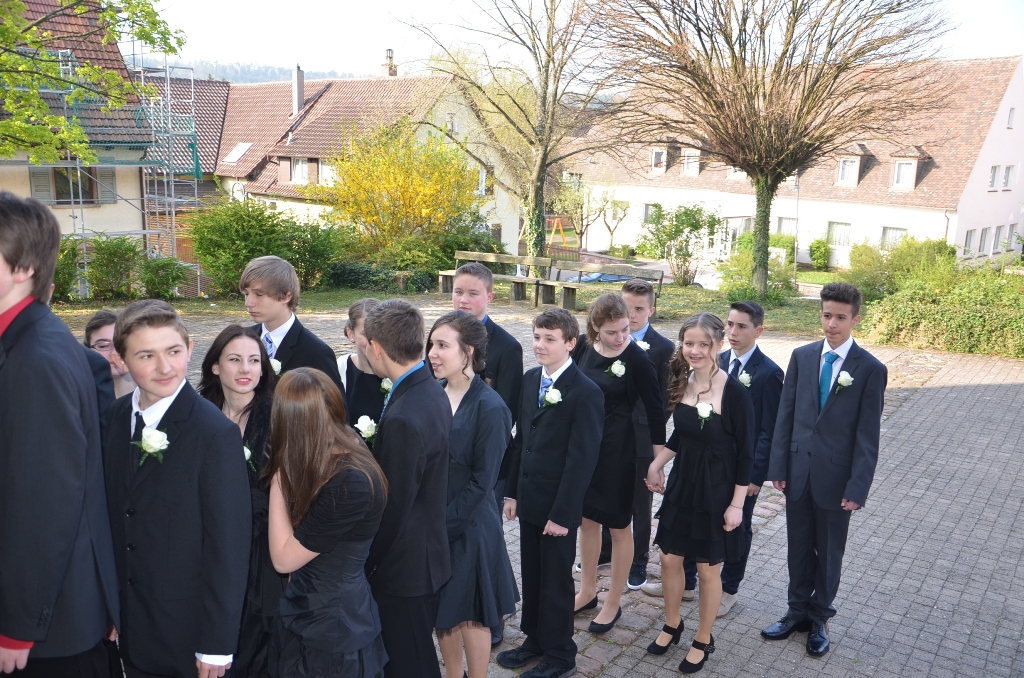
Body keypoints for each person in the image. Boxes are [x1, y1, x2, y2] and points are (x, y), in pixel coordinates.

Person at [0, 192, 120, 676]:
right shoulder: (32, 340)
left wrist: (16, 625)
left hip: (45, 631)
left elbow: (44, 502)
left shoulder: (36, 359)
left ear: (23, 268)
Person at [104, 299, 251, 678]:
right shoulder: (114, 418)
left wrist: (217, 644)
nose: (164, 367)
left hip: (186, 633)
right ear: (120, 360)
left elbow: (228, 546)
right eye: (146, 355)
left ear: (189, 349)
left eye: (173, 351)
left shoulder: (213, 433)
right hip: (129, 623)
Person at [762, 283, 887, 657]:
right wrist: (779, 465)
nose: (832, 324)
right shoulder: (802, 357)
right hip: (798, 472)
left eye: (841, 317)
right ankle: (796, 611)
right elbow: (786, 415)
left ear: (855, 320)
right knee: (798, 548)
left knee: (829, 552)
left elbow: (868, 436)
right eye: (827, 315)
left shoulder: (870, 369)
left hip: (836, 479)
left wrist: (858, 487)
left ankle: (819, 618)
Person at [645, 312, 754, 673]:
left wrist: (736, 505)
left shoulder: (734, 392)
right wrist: (657, 464)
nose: (694, 350)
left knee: (708, 570)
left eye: (703, 344)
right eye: (689, 343)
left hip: (716, 489)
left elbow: (747, 454)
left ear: (718, 345)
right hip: (684, 482)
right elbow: (682, 434)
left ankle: (703, 638)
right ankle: (672, 624)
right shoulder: (684, 380)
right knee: (669, 559)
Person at [497, 309, 604, 678]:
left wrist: (562, 515)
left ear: (571, 343)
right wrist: (512, 493)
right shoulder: (531, 380)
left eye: (549, 339)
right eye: (537, 337)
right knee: (533, 573)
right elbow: (521, 441)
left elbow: (582, 460)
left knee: (556, 581)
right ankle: (535, 640)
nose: (539, 345)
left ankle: (560, 654)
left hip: (558, 506)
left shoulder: (586, 392)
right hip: (530, 498)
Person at [265, 368, 389, 678]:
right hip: (309, 612)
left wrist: (278, 479)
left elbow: (282, 560)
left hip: (332, 630)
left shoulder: (349, 482)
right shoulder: (337, 450)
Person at [361, 300, 452, 678]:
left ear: (377, 348)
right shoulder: (429, 389)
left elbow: (394, 506)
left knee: (410, 662)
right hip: (425, 556)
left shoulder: (404, 417)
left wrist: (368, 559)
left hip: (405, 569)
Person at [426, 311, 519, 678]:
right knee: (444, 610)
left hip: (470, 526)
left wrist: (445, 525)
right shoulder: (433, 393)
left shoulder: (491, 407)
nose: (432, 353)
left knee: (472, 614)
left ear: (467, 352)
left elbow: (484, 481)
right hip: (434, 521)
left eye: (442, 345)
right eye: (431, 344)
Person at [681, 300, 784, 616]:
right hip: (707, 463)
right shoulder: (716, 361)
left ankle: (729, 589)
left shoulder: (769, 373)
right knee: (695, 518)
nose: (733, 331)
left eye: (741, 326)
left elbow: (767, 429)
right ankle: (686, 582)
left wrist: (755, 475)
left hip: (741, 468)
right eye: (729, 324)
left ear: (759, 331)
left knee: (737, 526)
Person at [571, 294, 665, 634]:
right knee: (587, 521)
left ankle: (613, 602)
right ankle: (587, 591)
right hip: (586, 449)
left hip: (619, 453)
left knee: (618, 526)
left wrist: (657, 462)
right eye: (612, 332)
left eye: (625, 329)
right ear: (595, 327)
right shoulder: (583, 348)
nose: (621, 337)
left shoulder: (637, 358)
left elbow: (656, 411)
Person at [197, 324, 283, 677]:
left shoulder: (278, 417)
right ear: (215, 366)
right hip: (206, 547)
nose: (245, 368)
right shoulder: (199, 414)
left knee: (254, 652)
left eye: (254, 360)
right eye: (234, 360)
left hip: (262, 552)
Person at [450, 262, 523, 646]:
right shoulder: (443, 336)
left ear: (490, 297)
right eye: (458, 291)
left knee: (485, 540)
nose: (463, 299)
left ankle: (492, 614)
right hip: (448, 460)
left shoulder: (507, 347)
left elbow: (506, 412)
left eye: (472, 293)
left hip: (485, 463)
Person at [619, 279, 675, 593]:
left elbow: (666, 399)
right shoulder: (609, 339)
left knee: (641, 502)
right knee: (607, 491)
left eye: (639, 309)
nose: (632, 315)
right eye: (627, 308)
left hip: (643, 435)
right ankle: (605, 550)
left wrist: (649, 428)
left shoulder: (663, 348)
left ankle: (639, 559)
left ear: (651, 309)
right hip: (610, 432)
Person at [242, 255, 343, 393]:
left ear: (286, 296)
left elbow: (336, 405)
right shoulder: (242, 340)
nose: (248, 303)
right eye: (246, 294)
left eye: (259, 294)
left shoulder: (316, 352)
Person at [337, 298, 387, 428]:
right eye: (366, 334)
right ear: (351, 334)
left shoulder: (395, 370)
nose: (374, 341)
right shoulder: (340, 368)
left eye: (380, 333)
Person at [84, 308, 136, 398]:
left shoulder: (157, 393)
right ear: (88, 349)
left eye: (121, 343)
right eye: (103, 346)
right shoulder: (77, 396)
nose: (115, 352)